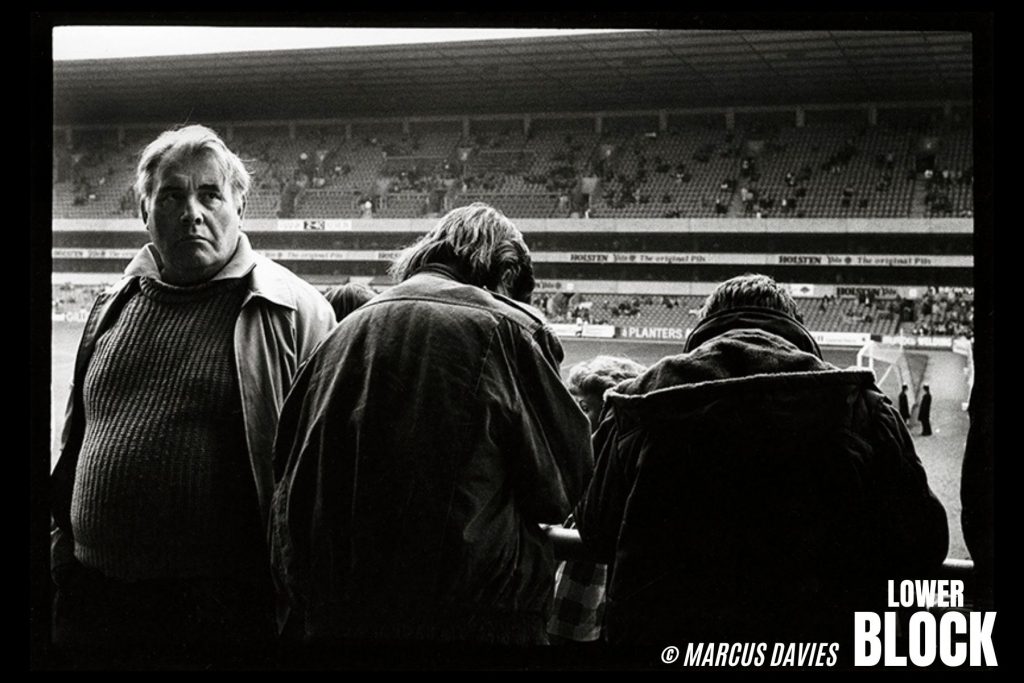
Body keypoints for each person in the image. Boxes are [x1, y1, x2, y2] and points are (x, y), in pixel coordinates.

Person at [49, 124, 336, 666]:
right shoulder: (111, 305)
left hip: (217, 612)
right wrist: (62, 552)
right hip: (89, 598)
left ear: (240, 207)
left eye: (210, 194)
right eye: (172, 195)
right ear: (144, 211)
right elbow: (78, 436)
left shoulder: (296, 310)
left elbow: (326, 474)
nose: (192, 212)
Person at [270, 203, 593, 647]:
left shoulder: (340, 334)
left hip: (339, 616)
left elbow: (288, 477)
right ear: (504, 273)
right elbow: (559, 488)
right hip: (474, 619)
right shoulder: (508, 326)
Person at [575, 273, 948, 647]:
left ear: (705, 324)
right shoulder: (861, 403)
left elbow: (597, 534)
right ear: (794, 325)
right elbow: (922, 544)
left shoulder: (635, 402)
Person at [547, 356, 646, 645]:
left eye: (584, 409)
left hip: (586, 607)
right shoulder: (569, 459)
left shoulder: (608, 474)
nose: (572, 419)